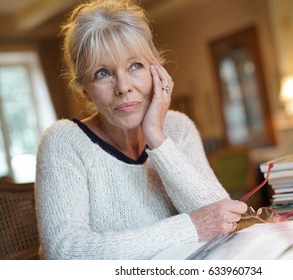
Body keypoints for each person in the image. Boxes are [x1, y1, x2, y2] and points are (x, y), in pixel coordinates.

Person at [35, 0, 247, 260]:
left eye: (135, 65)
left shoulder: (178, 128)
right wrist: (190, 227)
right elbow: (64, 252)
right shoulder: (63, 141)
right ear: (84, 89)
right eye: (103, 73)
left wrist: (157, 138)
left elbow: (222, 219)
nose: (123, 86)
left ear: (155, 70)